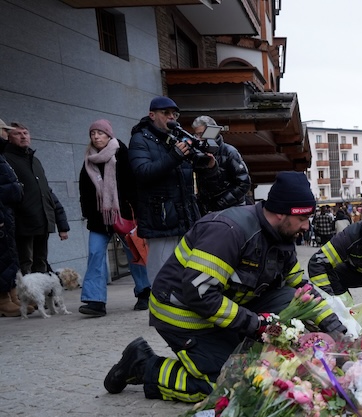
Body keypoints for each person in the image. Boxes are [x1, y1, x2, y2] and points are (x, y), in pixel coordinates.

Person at [103, 172, 346, 402]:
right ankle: (143, 365)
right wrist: (257, 325)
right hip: (183, 313)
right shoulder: (228, 232)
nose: (306, 227)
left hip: (222, 307)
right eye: (302, 219)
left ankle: (237, 344)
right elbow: (201, 294)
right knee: (227, 383)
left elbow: (299, 288)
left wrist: (335, 327)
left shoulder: (282, 237)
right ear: (281, 213)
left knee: (287, 297)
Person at [129, 96, 208, 284]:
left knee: (189, 273)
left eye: (174, 114)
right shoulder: (140, 139)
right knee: (162, 275)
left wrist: (209, 165)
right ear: (152, 115)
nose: (171, 117)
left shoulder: (178, 137)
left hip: (186, 217)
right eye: (165, 113)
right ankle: (160, 311)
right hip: (161, 218)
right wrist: (175, 156)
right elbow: (143, 172)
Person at [77, 119, 152, 317]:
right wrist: (88, 212)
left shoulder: (122, 153)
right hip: (99, 219)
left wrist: (136, 212)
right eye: (93, 133)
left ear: (109, 135)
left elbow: (133, 184)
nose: (96, 136)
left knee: (134, 253)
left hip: (124, 215)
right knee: (95, 254)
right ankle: (95, 301)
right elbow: (84, 190)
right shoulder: (89, 159)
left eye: (100, 133)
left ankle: (144, 292)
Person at [3, 122, 69, 274]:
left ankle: (42, 297)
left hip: (42, 222)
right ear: (8, 137)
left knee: (41, 262)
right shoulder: (6, 159)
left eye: (25, 133)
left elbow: (47, 192)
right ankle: (25, 297)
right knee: (25, 263)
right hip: (23, 224)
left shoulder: (35, 160)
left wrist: (62, 223)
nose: (23, 136)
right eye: (18, 133)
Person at [191, 115, 252, 214]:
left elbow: (244, 183)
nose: (198, 139)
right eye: (196, 135)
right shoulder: (196, 154)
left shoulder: (229, 152)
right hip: (207, 211)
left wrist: (221, 203)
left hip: (232, 209)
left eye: (201, 134)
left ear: (212, 132)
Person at [0, 120, 25, 317]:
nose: (6, 134)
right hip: (2, 212)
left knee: (9, 256)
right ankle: (4, 300)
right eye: (3, 130)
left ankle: (13, 295)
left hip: (7, 213)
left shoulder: (2, 155)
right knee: (3, 257)